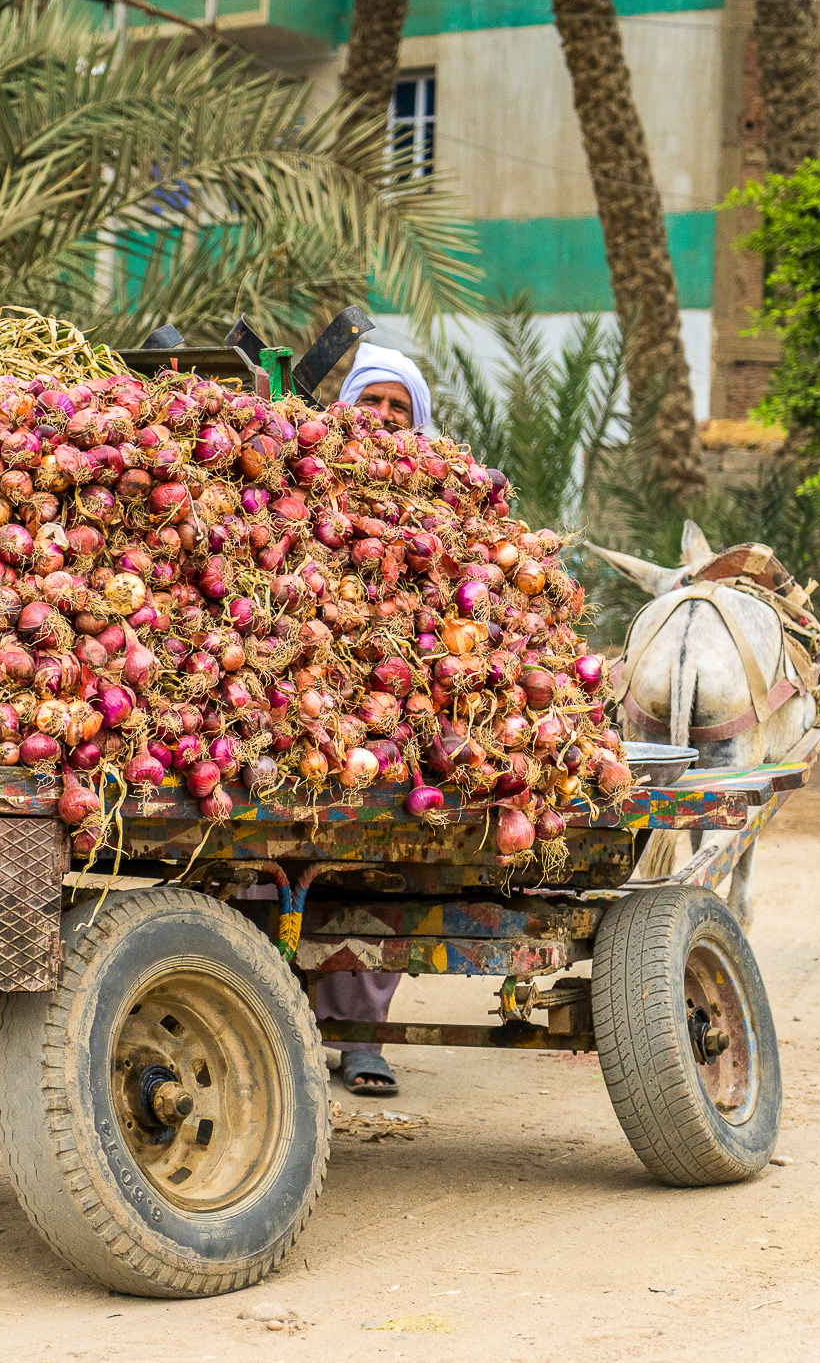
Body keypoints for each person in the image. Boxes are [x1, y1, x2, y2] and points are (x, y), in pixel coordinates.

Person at [314, 344, 435, 1097]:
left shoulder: (437, 495)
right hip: (311, 702)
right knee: (272, 862)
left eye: (400, 406)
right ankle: (276, 1014)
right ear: (345, 408)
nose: (384, 417)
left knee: (381, 861)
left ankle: (361, 1036)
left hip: (397, 713)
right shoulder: (311, 475)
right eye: (372, 402)